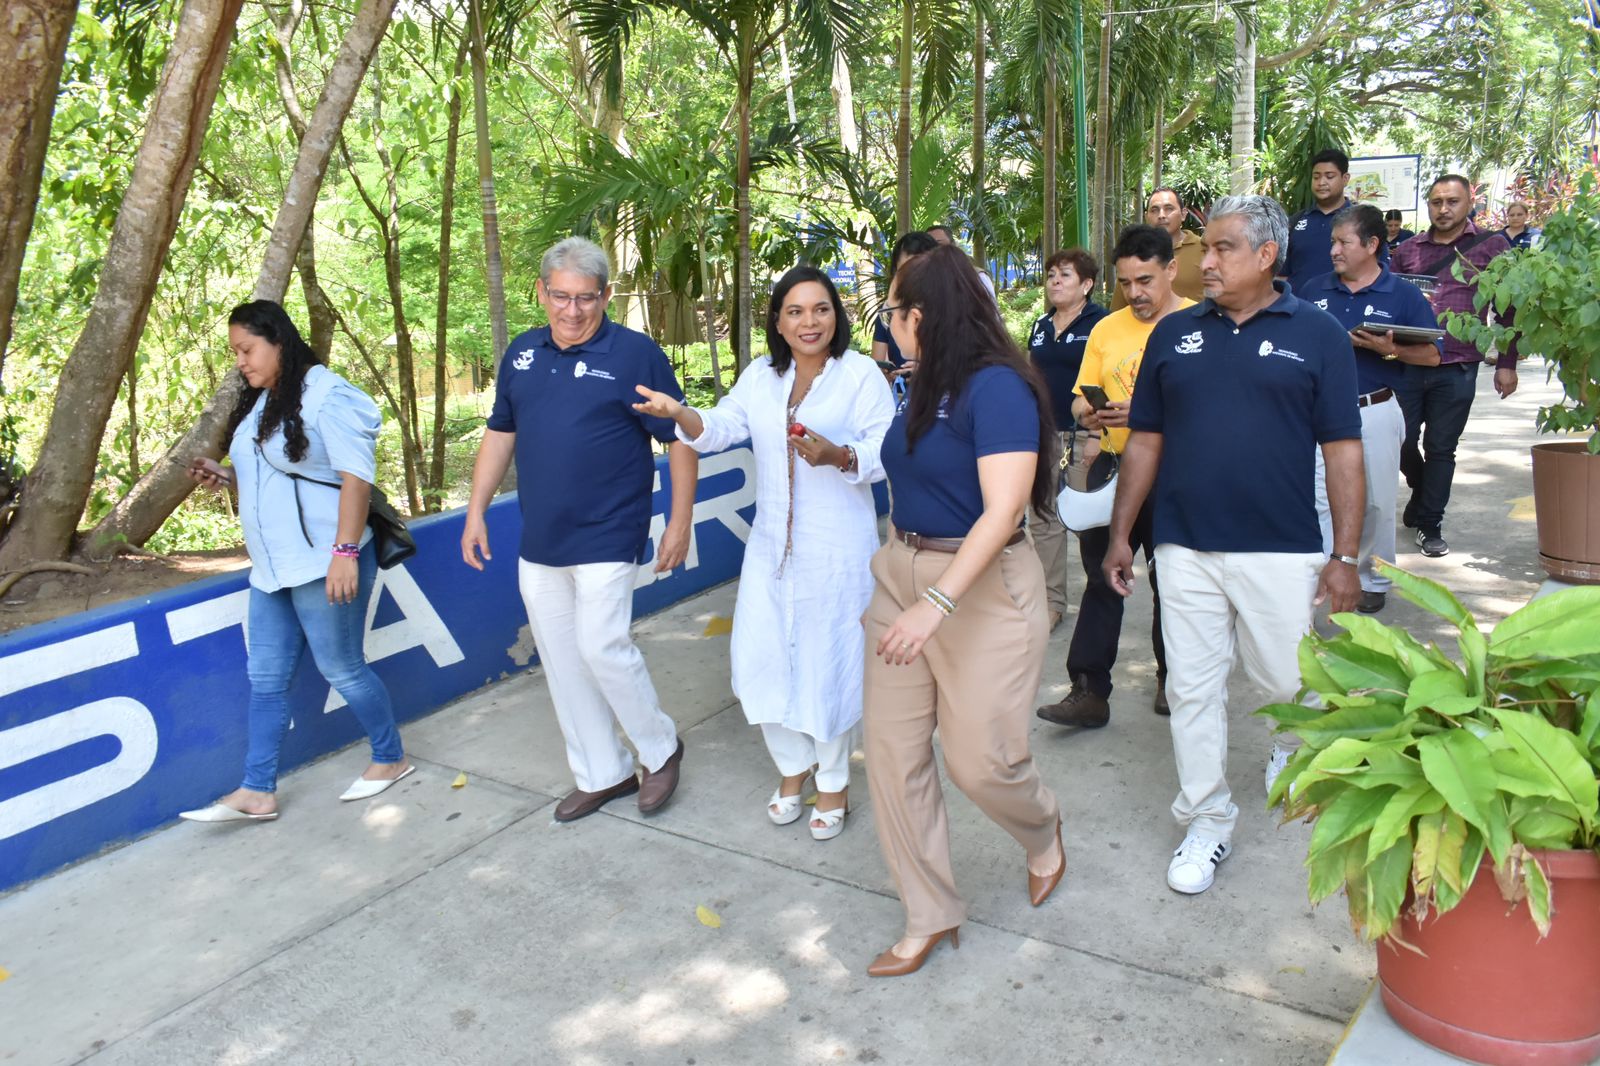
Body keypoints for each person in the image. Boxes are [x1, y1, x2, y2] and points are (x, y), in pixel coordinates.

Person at [1106, 195, 1363, 895]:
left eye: (1220, 249)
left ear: (1265, 255)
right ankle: (1208, 819)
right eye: (1205, 248)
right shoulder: (1175, 333)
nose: (1204, 261)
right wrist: (1123, 533)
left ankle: (1286, 741)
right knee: (1191, 688)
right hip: (1185, 544)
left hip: (1278, 546)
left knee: (1284, 681)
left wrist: (1344, 556)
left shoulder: (1318, 336)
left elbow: (1342, 450)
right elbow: (1146, 440)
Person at [632, 268, 893, 840]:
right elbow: (721, 427)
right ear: (777, 320)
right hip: (773, 547)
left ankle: (833, 780)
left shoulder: (860, 375)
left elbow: (883, 449)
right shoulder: (761, 376)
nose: (809, 322)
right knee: (763, 657)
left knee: (830, 661)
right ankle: (791, 769)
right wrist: (681, 415)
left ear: (836, 315)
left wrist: (839, 457)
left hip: (837, 550)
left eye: (820, 309)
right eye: (795, 311)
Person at [862, 243, 1064, 976]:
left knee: (981, 761)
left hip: (981, 588)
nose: (888, 325)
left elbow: (1004, 508)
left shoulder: (998, 387)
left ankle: (1042, 831)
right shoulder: (919, 383)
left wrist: (936, 601)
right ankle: (929, 913)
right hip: (902, 578)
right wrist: (902, 565)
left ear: (923, 314)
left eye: (892, 311)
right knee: (892, 753)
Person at [461, 236, 697, 822]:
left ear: (606, 296)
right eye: (560, 297)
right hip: (541, 536)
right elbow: (500, 432)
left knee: (602, 646)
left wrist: (680, 520)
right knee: (563, 659)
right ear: (541, 293)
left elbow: (682, 438)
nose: (572, 311)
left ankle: (660, 748)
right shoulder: (521, 354)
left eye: (586, 299)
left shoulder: (635, 354)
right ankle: (603, 772)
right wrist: (475, 510)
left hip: (609, 530)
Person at [179, 300, 412, 822]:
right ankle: (257, 790)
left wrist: (345, 552)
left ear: (278, 340)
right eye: (235, 352)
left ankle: (390, 757)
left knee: (342, 668)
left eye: (247, 349)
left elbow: (356, 477)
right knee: (265, 678)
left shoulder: (328, 395)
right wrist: (226, 475)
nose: (240, 361)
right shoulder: (261, 405)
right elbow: (279, 478)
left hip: (323, 561)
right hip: (271, 570)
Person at [1037, 225, 1192, 729]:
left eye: (1145, 280)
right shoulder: (1107, 329)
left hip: (1178, 475)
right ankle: (1088, 690)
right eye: (1126, 282)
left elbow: (1215, 407)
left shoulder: (1200, 323)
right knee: (1105, 576)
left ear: (1171, 269)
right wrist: (1089, 414)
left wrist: (1148, 414)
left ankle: (1174, 677)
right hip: (1113, 471)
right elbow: (1082, 395)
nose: (1136, 293)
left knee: (1177, 581)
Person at [1304, 204, 1442, 614]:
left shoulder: (1402, 294)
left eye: (1343, 242)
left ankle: (1374, 578)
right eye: (1332, 242)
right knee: (1319, 499)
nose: (1334, 251)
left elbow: (1433, 356)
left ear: (1372, 244)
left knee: (1377, 502)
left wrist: (1391, 349)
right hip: (1321, 414)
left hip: (1375, 409)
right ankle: (1321, 575)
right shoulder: (1314, 290)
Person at [1390, 174, 1520, 557]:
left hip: (1459, 366)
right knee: (1398, 438)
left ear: (1468, 203)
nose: (1443, 209)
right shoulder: (1408, 249)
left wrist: (1506, 364)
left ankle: (1430, 524)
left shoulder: (1493, 246)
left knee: (1441, 448)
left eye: (1452, 201)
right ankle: (1422, 486)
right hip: (1409, 362)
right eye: (1436, 202)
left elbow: (1508, 309)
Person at [1026, 248, 1108, 630]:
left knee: (1088, 523)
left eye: (1065, 276)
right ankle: (1051, 602)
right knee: (1043, 519)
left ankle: (1101, 602)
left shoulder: (1101, 324)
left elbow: (1107, 383)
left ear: (1087, 285)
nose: (1055, 281)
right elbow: (1030, 375)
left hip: (1084, 435)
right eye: (1051, 275)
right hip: (1043, 433)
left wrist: (1097, 435)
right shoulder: (1041, 325)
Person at [1283, 148, 1365, 293]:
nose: (1321, 182)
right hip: (1299, 310)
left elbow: (1375, 273)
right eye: (1316, 177)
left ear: (1345, 179)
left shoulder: (1362, 221)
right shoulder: (1295, 222)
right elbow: (1281, 275)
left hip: (1344, 311)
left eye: (1329, 176)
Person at [1111, 187, 1205, 308]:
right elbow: (1119, 308)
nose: (1161, 215)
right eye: (1154, 210)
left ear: (1183, 214)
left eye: (1169, 209)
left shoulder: (1204, 249)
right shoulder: (1134, 253)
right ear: (1146, 216)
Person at [872, 231, 941, 372]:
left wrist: (928, 373)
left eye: (919, 269)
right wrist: (885, 374)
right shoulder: (888, 312)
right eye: (904, 270)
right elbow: (877, 365)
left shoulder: (954, 311)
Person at [926, 223, 999, 302]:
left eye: (939, 244)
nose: (933, 250)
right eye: (928, 246)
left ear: (953, 245)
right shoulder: (923, 279)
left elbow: (990, 312)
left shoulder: (977, 277)